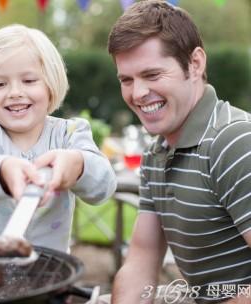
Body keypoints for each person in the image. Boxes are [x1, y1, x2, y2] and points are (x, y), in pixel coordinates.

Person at [105, 1, 251, 303]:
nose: (138, 93)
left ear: (195, 64)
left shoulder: (234, 140)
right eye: (126, 80)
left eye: (153, 75)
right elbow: (140, 263)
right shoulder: (155, 154)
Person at [0, 24, 117, 252]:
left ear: (50, 85)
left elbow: (103, 188)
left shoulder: (69, 134)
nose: (15, 92)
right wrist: (3, 169)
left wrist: (78, 165)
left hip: (47, 269)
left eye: (29, 81)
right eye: (0, 84)